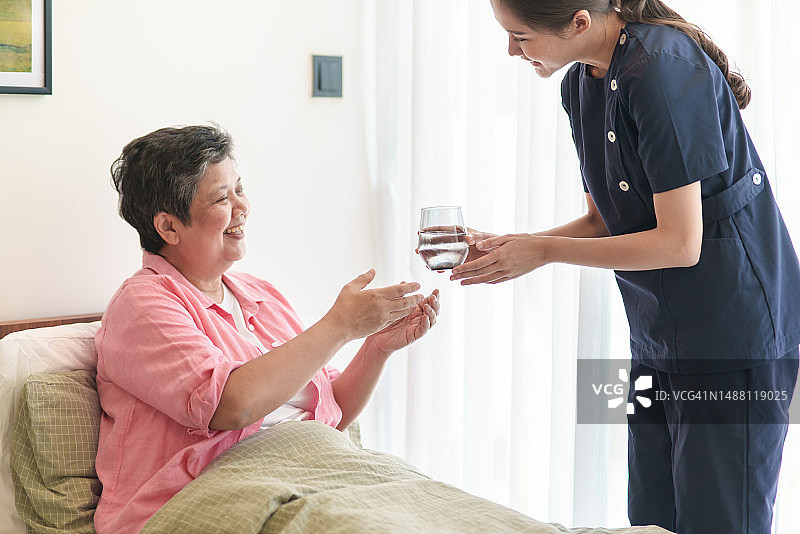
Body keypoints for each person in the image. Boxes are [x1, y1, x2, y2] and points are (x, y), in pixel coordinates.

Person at [450, 1, 800, 533]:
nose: (510, 50)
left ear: (579, 23)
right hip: (657, 336)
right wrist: (515, 246)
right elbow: (603, 220)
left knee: (721, 522)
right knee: (651, 522)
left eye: (519, 36)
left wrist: (542, 251)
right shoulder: (581, 85)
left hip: (734, 336)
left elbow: (680, 242)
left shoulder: (662, 69)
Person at [94, 124, 440, 534]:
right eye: (223, 198)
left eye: (239, 189)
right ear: (168, 227)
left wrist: (377, 347)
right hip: (205, 495)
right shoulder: (142, 304)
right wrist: (339, 326)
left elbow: (335, 410)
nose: (241, 207)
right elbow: (231, 406)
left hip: (315, 468)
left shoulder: (261, 296)